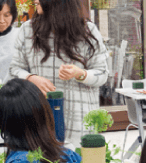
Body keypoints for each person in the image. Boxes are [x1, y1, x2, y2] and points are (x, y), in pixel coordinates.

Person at [9, 0, 108, 148]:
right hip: (40, 117)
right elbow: (14, 69)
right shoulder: (28, 30)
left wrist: (79, 73)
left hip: (79, 120)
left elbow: (102, 73)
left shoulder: (87, 30)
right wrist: (31, 78)